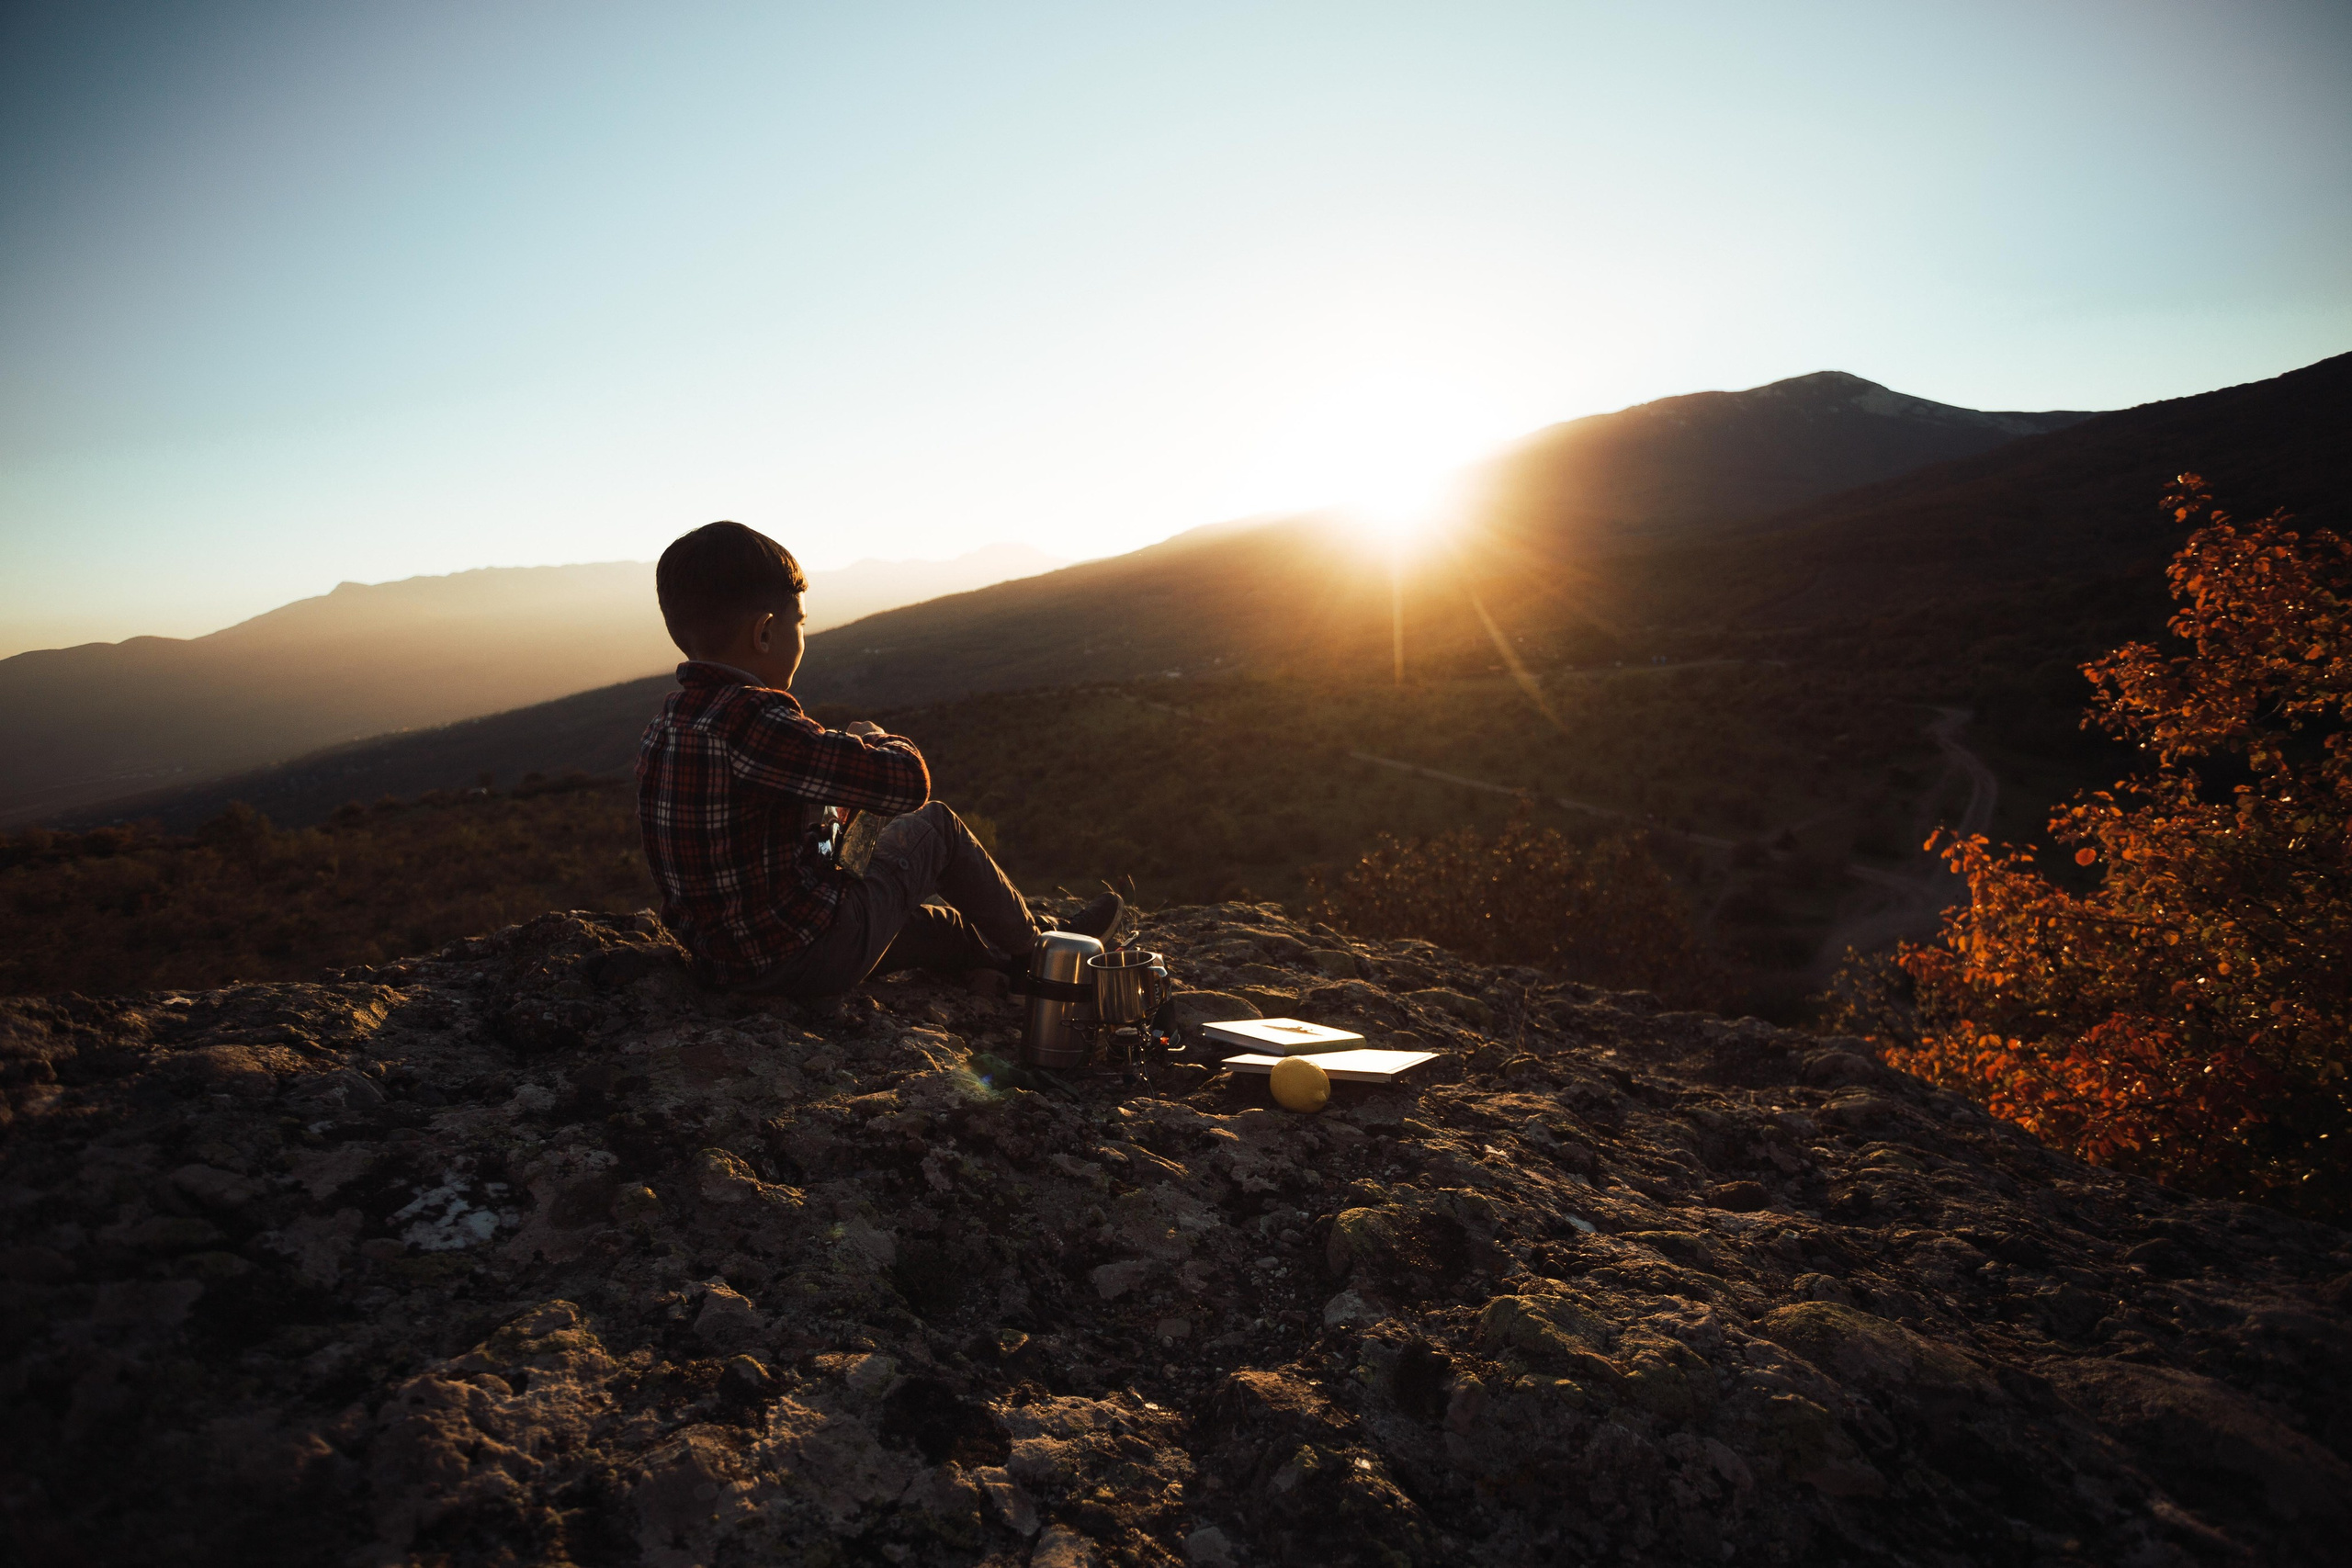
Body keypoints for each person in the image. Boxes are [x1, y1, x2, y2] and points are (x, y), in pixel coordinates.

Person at [635, 520, 1120, 997]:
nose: (802, 638)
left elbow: (792, 847)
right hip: (801, 958)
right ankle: (1045, 952)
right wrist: (878, 741)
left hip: (728, 965)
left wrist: (845, 812)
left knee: (938, 927)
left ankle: (1008, 963)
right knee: (935, 828)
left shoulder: (669, 725)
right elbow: (909, 784)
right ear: (764, 633)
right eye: (799, 623)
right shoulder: (753, 721)